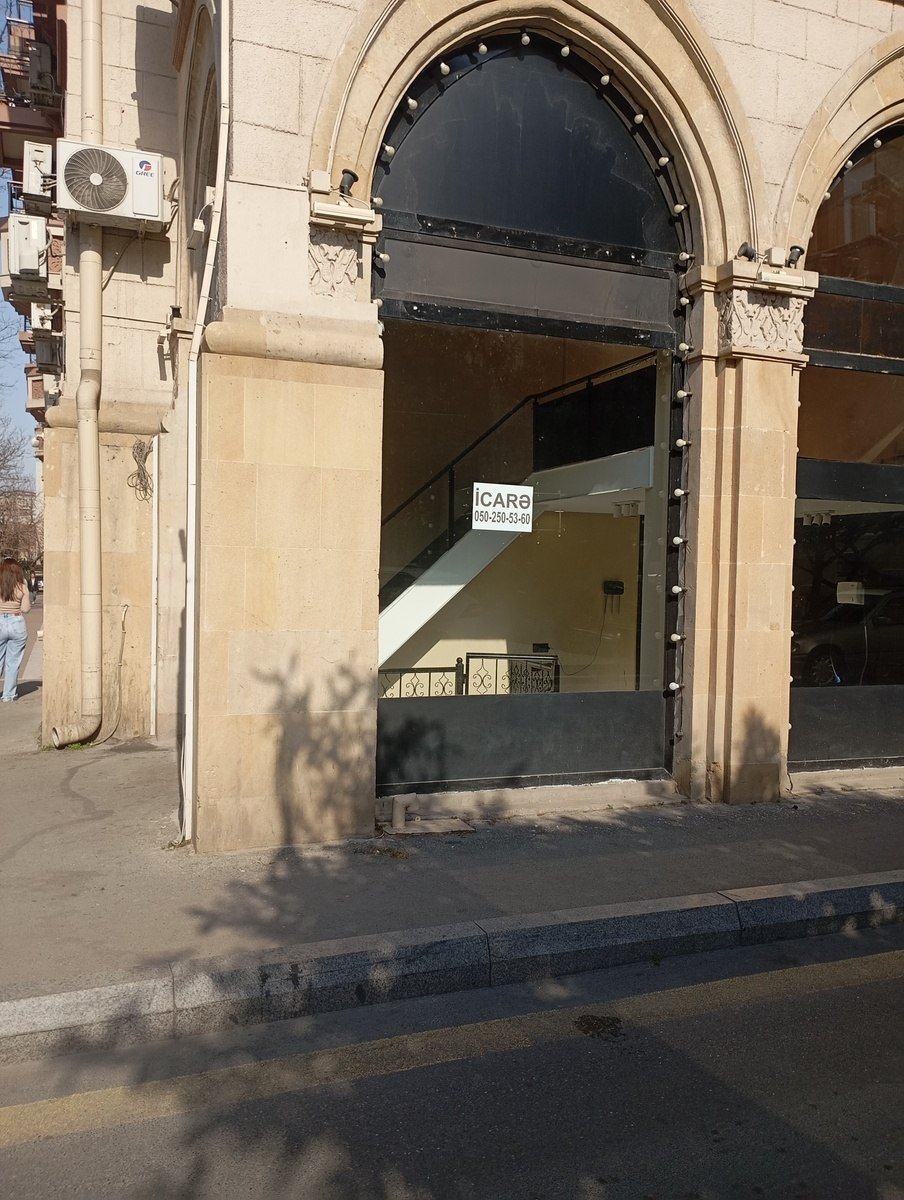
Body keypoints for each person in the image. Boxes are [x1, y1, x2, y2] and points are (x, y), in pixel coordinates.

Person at [0, 557, 31, 702]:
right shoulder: (21, 585)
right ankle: (9, 695)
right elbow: (26, 609)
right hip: (17, 621)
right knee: (13, 662)